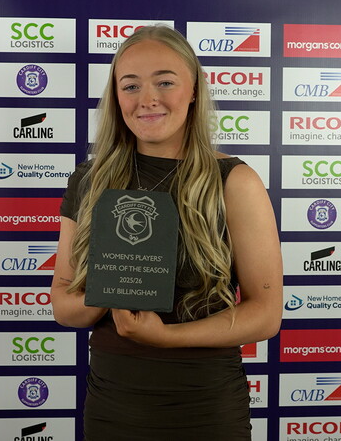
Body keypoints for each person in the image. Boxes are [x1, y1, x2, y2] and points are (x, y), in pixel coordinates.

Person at [50, 24, 283, 440]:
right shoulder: (89, 181)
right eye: (131, 85)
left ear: (193, 90)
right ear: (115, 96)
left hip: (205, 405)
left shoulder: (233, 180)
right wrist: (110, 290)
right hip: (113, 404)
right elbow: (64, 305)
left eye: (165, 82)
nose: (148, 99)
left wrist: (166, 337)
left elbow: (265, 314)